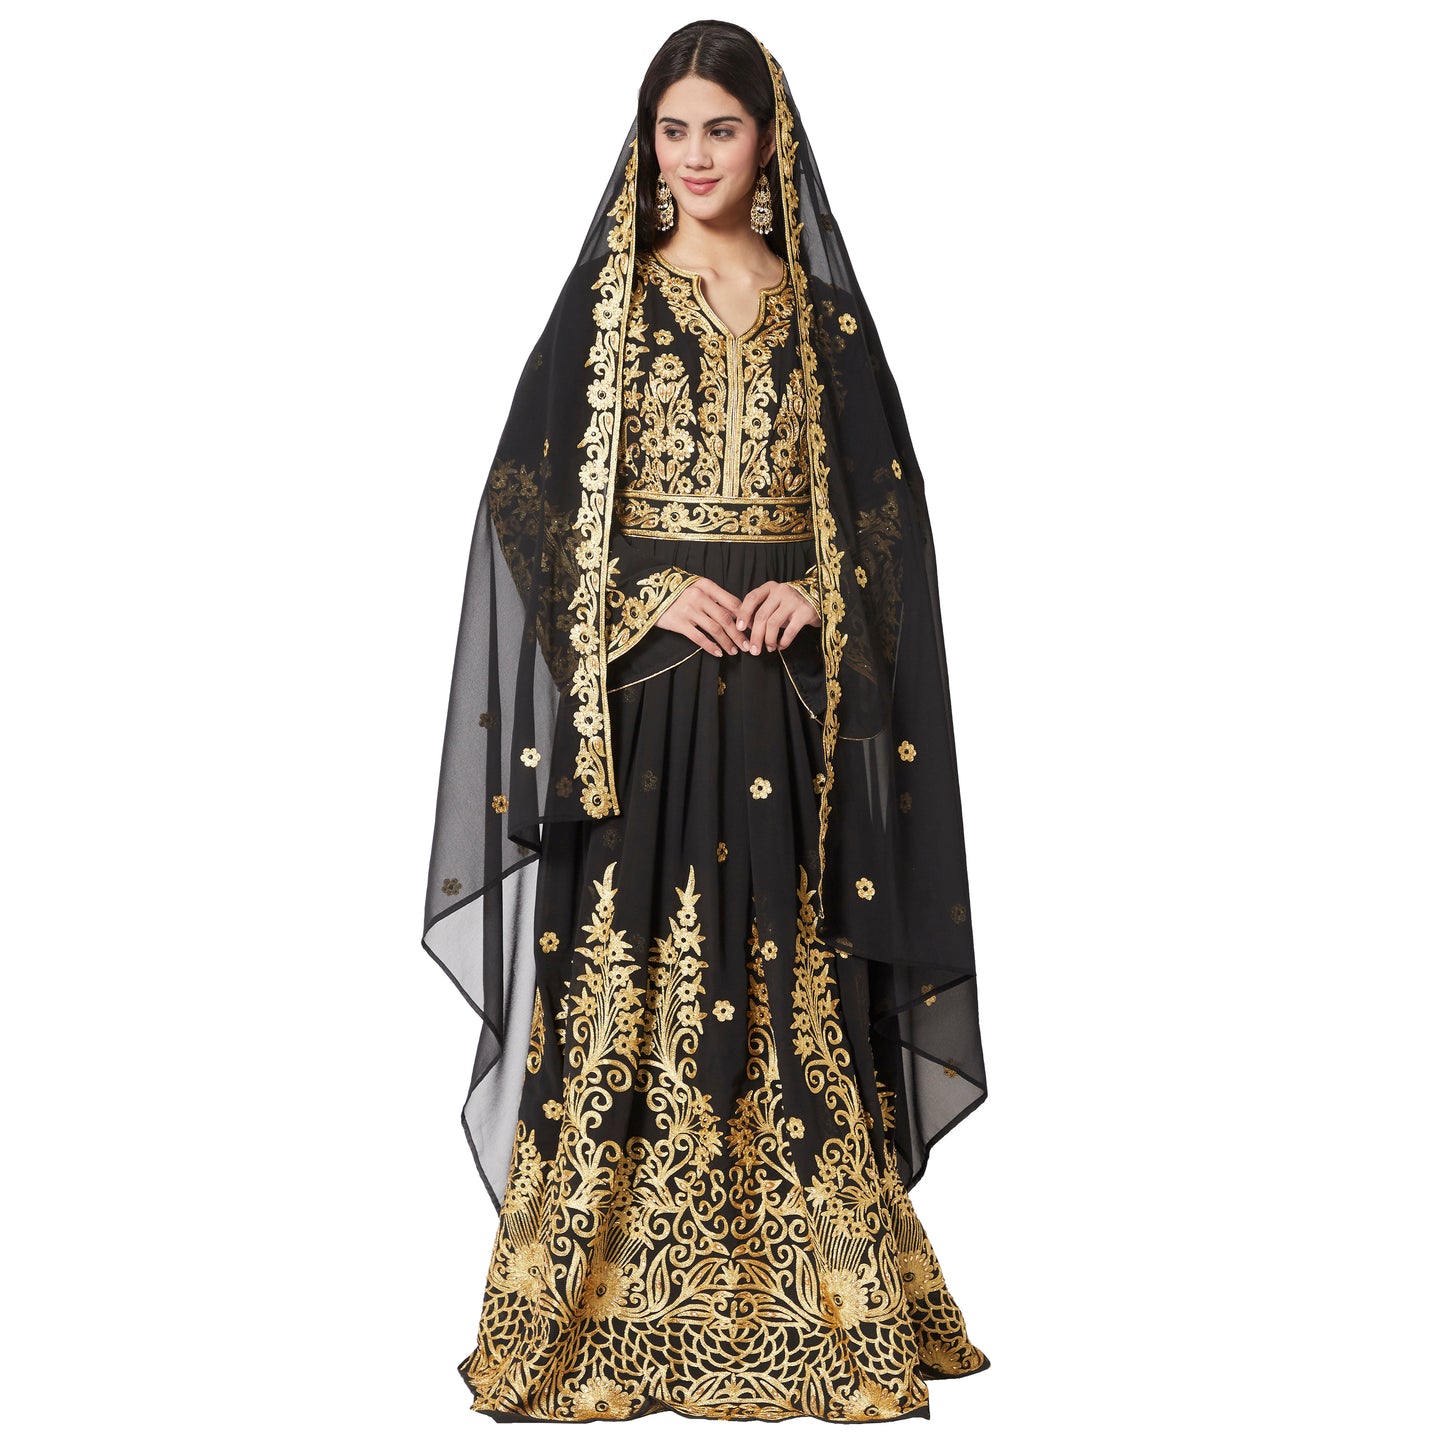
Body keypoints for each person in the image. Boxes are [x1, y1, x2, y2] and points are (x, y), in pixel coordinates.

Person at [421, 20, 991, 1423]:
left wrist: (816, 590)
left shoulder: (822, 322)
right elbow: (524, 508)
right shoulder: (609, 312)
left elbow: (889, 526)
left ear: (766, 141)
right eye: (671, 130)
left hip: (786, 707)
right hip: (645, 706)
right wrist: (651, 592)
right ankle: (591, 1316)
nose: (693, 157)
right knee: (627, 979)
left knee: (791, 970)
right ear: (646, 144)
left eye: (718, 130)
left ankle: (828, 1308)